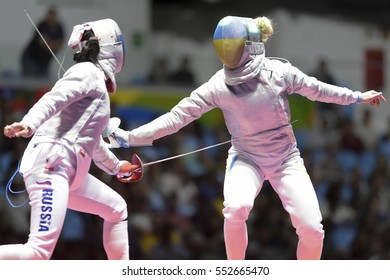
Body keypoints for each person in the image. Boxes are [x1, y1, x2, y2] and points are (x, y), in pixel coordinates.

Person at [105, 15, 386, 260]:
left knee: (312, 229)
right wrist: (131, 138)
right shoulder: (218, 85)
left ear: (251, 46)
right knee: (235, 209)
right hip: (246, 157)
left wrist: (357, 97)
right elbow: (176, 117)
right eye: (222, 47)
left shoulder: (278, 72)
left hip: (285, 158)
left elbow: (317, 89)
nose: (227, 52)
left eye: (232, 46)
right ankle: (236, 271)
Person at [1, 18, 142, 260]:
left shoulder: (95, 80)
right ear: (108, 45)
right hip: (52, 166)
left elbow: (91, 139)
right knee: (38, 253)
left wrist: (118, 167)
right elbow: (53, 99)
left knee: (117, 209)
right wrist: (30, 122)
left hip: (70, 172)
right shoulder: (87, 72)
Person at [21, 7, 65, 78]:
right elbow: (42, 43)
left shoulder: (59, 27)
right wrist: (53, 44)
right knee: (30, 80)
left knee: (44, 82)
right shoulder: (42, 25)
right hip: (31, 58)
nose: (51, 18)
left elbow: (61, 43)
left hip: (44, 62)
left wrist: (49, 43)